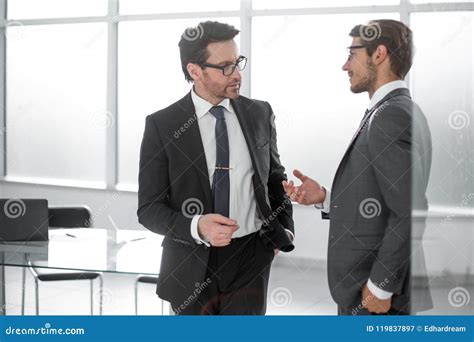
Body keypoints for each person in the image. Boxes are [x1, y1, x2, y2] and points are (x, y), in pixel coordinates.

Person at [137, 21, 294, 315]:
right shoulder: (163, 125)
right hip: (190, 259)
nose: (236, 74)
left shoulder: (259, 113)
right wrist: (197, 226)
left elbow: (275, 179)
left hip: (252, 256)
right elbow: (148, 208)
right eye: (225, 67)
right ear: (195, 71)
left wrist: (285, 229)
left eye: (237, 63)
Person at [283, 19, 432, 315]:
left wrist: (380, 286)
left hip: (376, 295)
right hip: (375, 289)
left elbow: (409, 210)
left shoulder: (389, 116)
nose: (345, 65)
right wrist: (326, 196)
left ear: (379, 54)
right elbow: (383, 200)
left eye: (352, 54)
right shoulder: (397, 109)